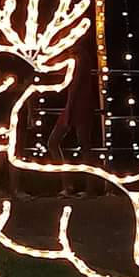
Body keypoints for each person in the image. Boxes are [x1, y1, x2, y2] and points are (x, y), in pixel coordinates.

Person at [45, 48, 100, 195]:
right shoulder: (77, 56)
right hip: (77, 103)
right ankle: (71, 185)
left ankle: (87, 188)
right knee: (57, 142)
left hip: (80, 103)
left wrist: (70, 106)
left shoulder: (80, 57)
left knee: (83, 144)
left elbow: (75, 83)